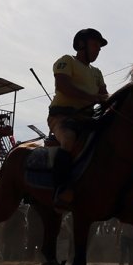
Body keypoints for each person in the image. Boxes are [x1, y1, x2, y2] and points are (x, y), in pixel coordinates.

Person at [48, 28, 109, 208]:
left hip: (87, 119)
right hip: (61, 117)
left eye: (99, 46)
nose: (98, 49)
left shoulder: (97, 72)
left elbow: (105, 97)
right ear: (81, 44)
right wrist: (92, 98)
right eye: (95, 44)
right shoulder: (66, 61)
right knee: (68, 139)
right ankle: (61, 189)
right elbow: (63, 86)